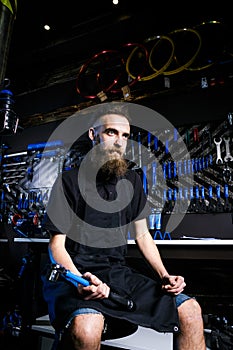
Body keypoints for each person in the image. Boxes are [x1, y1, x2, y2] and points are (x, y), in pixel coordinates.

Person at [41, 102, 206, 350]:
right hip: (75, 276)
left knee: (191, 311)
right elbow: (57, 247)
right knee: (88, 327)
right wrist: (79, 281)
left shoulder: (133, 180)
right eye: (111, 132)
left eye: (125, 135)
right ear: (93, 134)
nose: (119, 142)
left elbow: (143, 236)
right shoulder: (68, 182)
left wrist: (164, 276)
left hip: (116, 274)